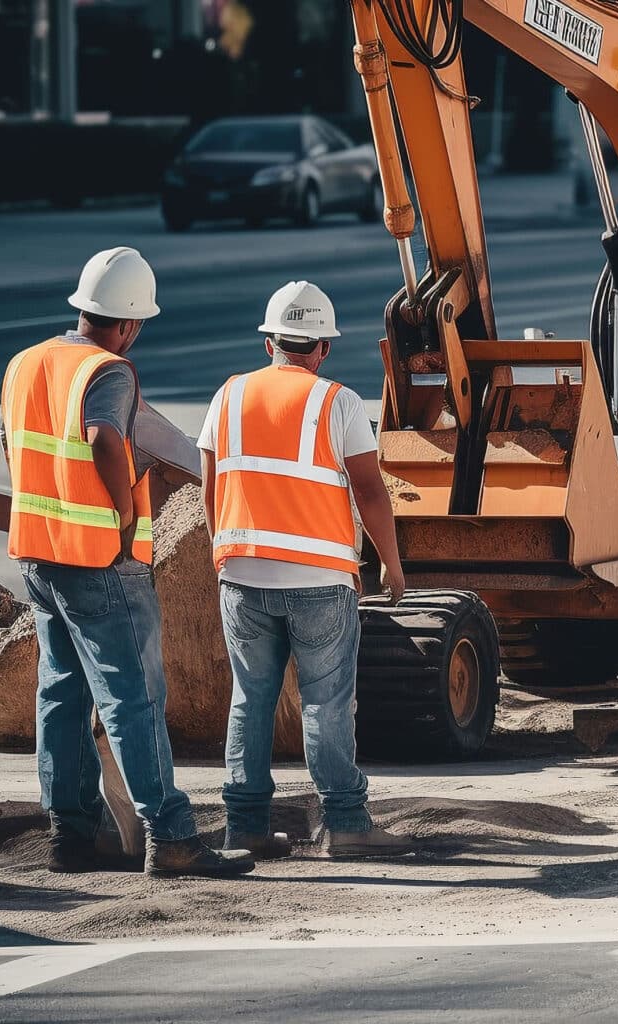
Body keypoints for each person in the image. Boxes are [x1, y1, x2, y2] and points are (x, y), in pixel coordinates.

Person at [1, 247, 254, 877]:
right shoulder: (107, 372)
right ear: (131, 323)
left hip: (40, 555)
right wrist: (119, 513)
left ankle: (71, 834)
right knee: (132, 698)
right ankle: (169, 834)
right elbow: (104, 438)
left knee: (59, 694)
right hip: (99, 562)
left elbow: (11, 442)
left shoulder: (24, 363)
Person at [198, 280, 412, 858]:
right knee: (325, 703)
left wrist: (224, 550)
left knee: (251, 699)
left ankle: (244, 825)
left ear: (270, 342)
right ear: (323, 349)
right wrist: (390, 565)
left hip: (242, 577)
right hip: (319, 581)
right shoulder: (337, 402)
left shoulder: (228, 395)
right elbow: (370, 490)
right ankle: (344, 823)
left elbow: (209, 479)